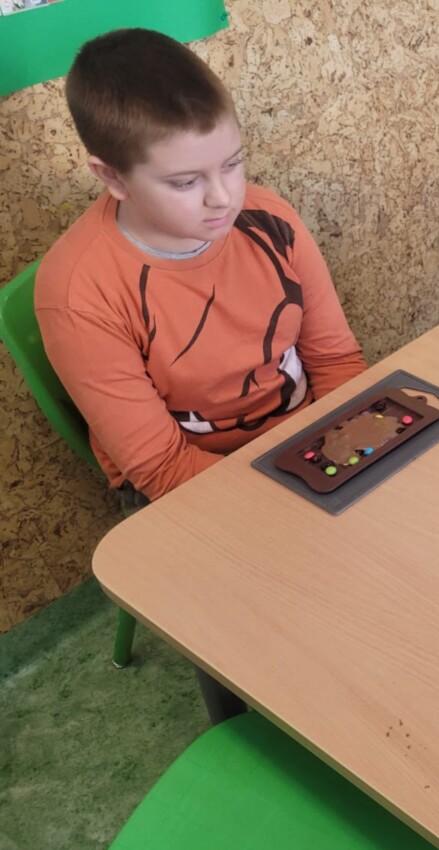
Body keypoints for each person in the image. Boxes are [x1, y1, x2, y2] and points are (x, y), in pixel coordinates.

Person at [36, 28, 366, 505]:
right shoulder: (78, 292)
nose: (224, 197)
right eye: (185, 182)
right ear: (112, 177)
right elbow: (162, 467)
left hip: (309, 445)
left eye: (232, 163)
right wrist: (296, 502)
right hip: (188, 483)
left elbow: (335, 361)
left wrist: (343, 455)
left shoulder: (271, 220)